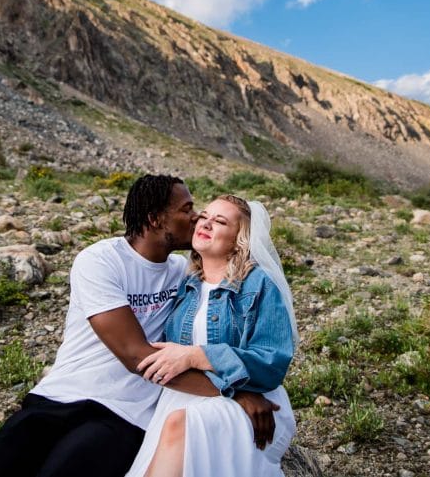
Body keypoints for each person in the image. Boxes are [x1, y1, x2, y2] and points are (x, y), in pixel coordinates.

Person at [0, 176, 277, 477]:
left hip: (125, 415)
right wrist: (232, 393)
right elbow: (138, 356)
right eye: (187, 209)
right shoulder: (100, 261)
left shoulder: (184, 273)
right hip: (59, 398)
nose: (196, 217)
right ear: (155, 219)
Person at [124, 194, 299, 477]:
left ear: (239, 239)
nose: (206, 224)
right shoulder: (187, 284)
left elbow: (272, 361)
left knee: (180, 425)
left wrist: (197, 355)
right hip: (189, 395)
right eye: (204, 217)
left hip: (259, 401)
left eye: (220, 222)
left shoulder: (258, 284)